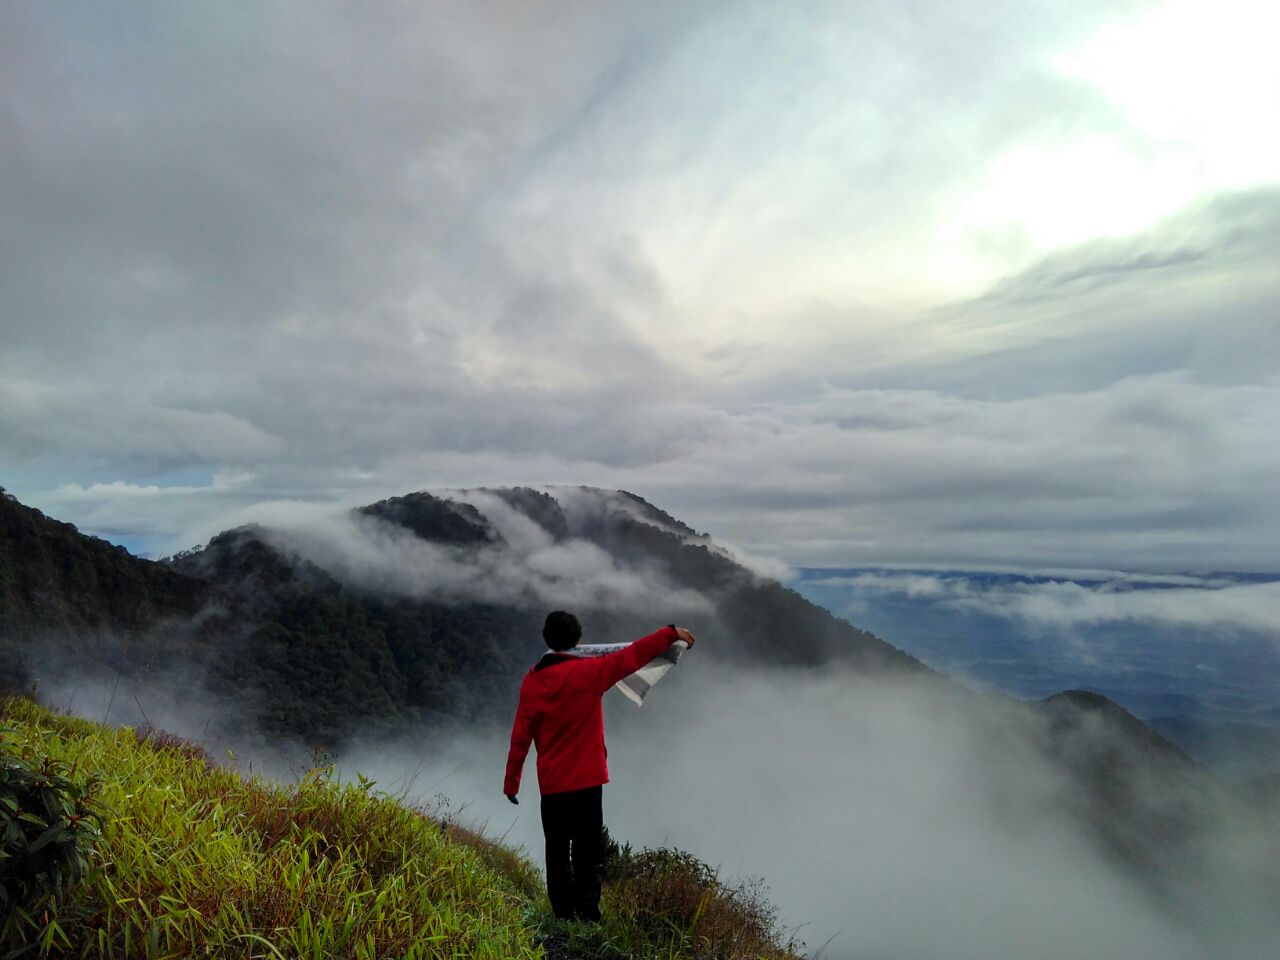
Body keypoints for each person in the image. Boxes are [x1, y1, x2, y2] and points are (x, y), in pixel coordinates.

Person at [504, 611, 696, 922]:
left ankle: (563, 913)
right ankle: (588, 913)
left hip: (552, 784)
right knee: (587, 852)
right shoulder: (590, 673)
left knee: (556, 851)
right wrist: (670, 632)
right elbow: (632, 656)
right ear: (578, 640)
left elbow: (520, 737)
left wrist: (511, 783)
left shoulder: (532, 681)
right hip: (587, 782)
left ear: (547, 639)